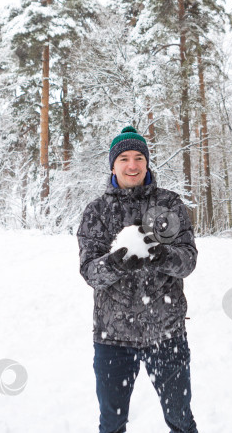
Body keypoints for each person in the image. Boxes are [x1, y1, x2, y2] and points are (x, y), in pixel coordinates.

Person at [77, 126, 199, 433]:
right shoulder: (97, 211)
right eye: (124, 159)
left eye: (139, 157)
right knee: (112, 424)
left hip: (166, 333)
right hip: (113, 338)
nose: (132, 165)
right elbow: (90, 272)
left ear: (147, 162)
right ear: (113, 165)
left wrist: (164, 256)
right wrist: (116, 262)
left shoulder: (169, 204)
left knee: (181, 420)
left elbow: (188, 261)